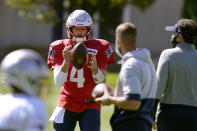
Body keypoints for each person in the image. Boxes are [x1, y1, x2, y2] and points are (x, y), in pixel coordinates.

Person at [47, 9, 115, 131]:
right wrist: (66, 62)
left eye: (82, 29)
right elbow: (58, 82)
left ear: (89, 30)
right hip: (67, 102)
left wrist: (95, 70)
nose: (79, 32)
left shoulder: (100, 46)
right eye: (76, 29)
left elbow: (102, 80)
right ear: (70, 29)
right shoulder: (59, 47)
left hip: (90, 103)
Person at [95, 22, 157, 131]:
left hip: (130, 124)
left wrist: (110, 99)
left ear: (118, 41)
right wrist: (115, 95)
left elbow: (133, 103)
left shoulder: (130, 65)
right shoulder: (148, 62)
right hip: (144, 124)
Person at [155, 18, 197, 131]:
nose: (172, 36)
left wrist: (150, 113)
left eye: (174, 33)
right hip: (193, 116)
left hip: (170, 114)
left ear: (180, 36)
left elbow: (158, 88)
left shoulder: (168, 54)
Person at [0, 49, 49, 131]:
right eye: (38, 80)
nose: (41, 86)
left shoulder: (2, 100)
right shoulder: (33, 105)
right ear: (29, 78)